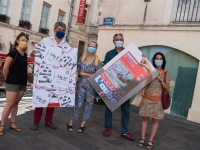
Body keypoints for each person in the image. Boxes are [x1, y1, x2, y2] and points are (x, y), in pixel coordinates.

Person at [30, 22, 70, 131]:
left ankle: (48, 120)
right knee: (41, 98)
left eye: (63, 30)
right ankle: (36, 121)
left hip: (57, 77)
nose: (61, 31)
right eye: (59, 29)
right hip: (44, 74)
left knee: (52, 99)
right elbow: (34, 53)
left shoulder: (67, 45)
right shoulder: (45, 41)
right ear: (54, 30)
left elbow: (69, 62)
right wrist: (35, 52)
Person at [101, 33, 135, 141]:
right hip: (112, 85)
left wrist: (141, 58)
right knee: (109, 108)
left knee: (125, 110)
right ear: (113, 41)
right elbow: (105, 70)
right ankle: (108, 128)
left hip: (125, 87)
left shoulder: (128, 54)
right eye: (117, 39)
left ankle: (125, 131)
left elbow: (133, 68)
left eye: (121, 39)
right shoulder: (109, 54)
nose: (119, 41)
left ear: (123, 40)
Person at [67, 40, 102, 133]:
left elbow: (98, 75)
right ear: (87, 47)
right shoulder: (82, 58)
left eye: (93, 47)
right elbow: (78, 70)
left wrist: (85, 74)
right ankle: (71, 122)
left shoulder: (97, 61)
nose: (91, 48)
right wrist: (77, 75)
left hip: (91, 87)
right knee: (78, 104)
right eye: (90, 46)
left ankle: (83, 124)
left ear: (96, 48)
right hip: (81, 85)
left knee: (88, 105)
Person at [138, 52, 170, 149]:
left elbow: (167, 88)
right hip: (147, 98)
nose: (158, 60)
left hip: (158, 102)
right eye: (157, 58)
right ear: (154, 60)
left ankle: (150, 140)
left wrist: (160, 80)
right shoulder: (150, 70)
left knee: (155, 120)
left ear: (163, 61)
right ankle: (142, 138)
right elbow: (144, 81)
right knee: (144, 118)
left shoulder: (166, 73)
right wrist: (143, 89)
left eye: (160, 58)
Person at [0, 32, 29, 135]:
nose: (25, 42)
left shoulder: (25, 54)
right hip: (12, 82)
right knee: (9, 104)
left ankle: (13, 123)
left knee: (16, 104)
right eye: (22, 40)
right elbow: (6, 68)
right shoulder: (13, 52)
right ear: (17, 41)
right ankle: (1, 126)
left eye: (26, 41)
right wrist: (8, 79)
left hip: (22, 83)